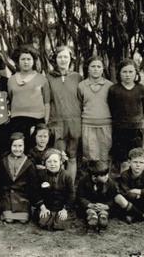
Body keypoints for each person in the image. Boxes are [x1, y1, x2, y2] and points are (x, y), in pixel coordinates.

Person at [47, 45, 82, 184]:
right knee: (58, 157)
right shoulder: (48, 78)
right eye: (60, 57)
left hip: (74, 123)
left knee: (72, 158)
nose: (63, 60)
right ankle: (58, 190)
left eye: (66, 57)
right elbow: (46, 101)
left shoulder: (77, 77)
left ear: (70, 59)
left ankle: (71, 190)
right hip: (57, 123)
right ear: (55, 59)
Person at [108, 58, 144, 172]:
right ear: (119, 73)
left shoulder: (141, 89)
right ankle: (124, 184)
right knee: (123, 159)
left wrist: (139, 121)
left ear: (136, 73)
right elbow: (112, 108)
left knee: (137, 158)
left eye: (131, 72)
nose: (127, 75)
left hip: (136, 130)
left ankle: (136, 183)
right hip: (120, 130)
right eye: (124, 72)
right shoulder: (114, 90)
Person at [8, 45, 50, 146]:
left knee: (34, 148)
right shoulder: (11, 80)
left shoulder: (42, 79)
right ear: (18, 61)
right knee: (19, 148)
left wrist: (45, 123)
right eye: (23, 59)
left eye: (28, 59)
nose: (26, 62)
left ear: (34, 61)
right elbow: (10, 98)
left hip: (36, 120)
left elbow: (47, 102)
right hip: (17, 121)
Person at [78, 56, 113, 164]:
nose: (96, 69)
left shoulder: (110, 86)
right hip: (88, 125)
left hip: (106, 125)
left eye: (99, 66)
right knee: (90, 157)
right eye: (93, 66)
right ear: (88, 68)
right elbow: (79, 106)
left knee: (105, 156)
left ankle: (105, 179)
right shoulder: (81, 86)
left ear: (103, 69)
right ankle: (91, 179)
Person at [0, 132, 37, 223]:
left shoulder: (28, 162)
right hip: (7, 196)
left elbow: (33, 184)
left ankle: (24, 211)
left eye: (20, 146)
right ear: (10, 146)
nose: (17, 149)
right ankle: (6, 211)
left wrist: (32, 202)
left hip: (22, 197)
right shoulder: (4, 161)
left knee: (23, 220)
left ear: (24, 146)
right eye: (14, 146)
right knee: (9, 219)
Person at [33, 148, 74, 230]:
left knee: (59, 224)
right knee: (43, 222)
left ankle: (58, 218)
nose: (52, 164)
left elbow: (71, 194)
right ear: (45, 163)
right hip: (46, 206)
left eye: (55, 161)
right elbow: (36, 192)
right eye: (49, 161)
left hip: (61, 207)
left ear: (61, 162)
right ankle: (48, 216)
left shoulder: (67, 176)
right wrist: (42, 207)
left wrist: (65, 209)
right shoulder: (41, 175)